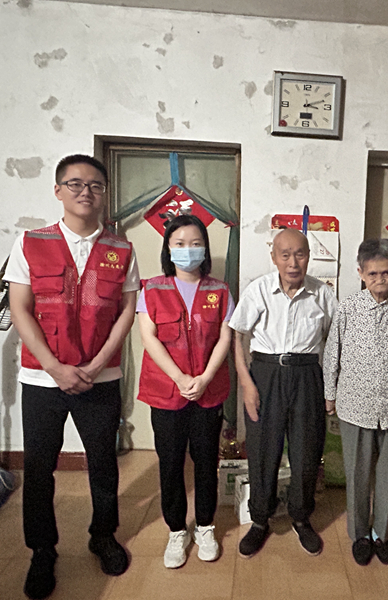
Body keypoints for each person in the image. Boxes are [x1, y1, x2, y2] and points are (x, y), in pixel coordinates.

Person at [5, 154, 139, 599]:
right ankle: (42, 550)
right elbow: (20, 309)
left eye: (96, 185)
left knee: (103, 462)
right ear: (58, 190)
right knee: (39, 468)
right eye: (76, 183)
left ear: (104, 194)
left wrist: (98, 365)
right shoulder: (30, 243)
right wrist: (54, 367)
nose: (86, 192)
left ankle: (103, 535)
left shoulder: (122, 249)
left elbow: (126, 312)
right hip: (43, 379)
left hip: (101, 377)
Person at [229, 228, 337, 558]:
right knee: (263, 449)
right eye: (285, 254)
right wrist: (246, 383)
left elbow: (335, 342)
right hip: (265, 373)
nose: (293, 262)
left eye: (300, 254)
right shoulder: (258, 290)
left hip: (307, 374)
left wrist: (331, 387)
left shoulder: (322, 294)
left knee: (306, 451)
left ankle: (301, 517)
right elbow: (238, 336)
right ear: (274, 257)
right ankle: (260, 519)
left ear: (309, 257)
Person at [323, 238, 388, 566]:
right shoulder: (348, 308)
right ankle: (359, 534)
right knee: (357, 474)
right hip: (355, 406)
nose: (380, 279)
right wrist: (329, 394)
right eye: (372, 274)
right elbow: (332, 352)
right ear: (360, 273)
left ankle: (381, 533)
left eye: (386, 272)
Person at [136, 213, 233, 569]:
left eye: (195, 243)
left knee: (207, 461)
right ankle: (177, 530)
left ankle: (205, 526)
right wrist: (179, 377)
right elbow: (148, 338)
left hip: (208, 391)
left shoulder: (220, 290)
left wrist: (204, 378)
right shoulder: (152, 289)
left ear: (205, 249)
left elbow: (225, 336)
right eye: (179, 244)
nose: (187, 250)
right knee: (170, 463)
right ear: (168, 249)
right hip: (166, 391)